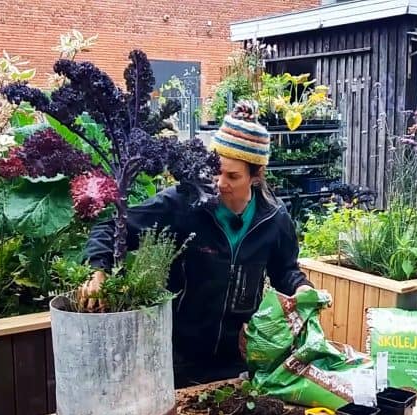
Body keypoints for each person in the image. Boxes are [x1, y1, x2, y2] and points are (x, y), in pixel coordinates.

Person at [80, 100, 314, 387]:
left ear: (255, 177)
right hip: (177, 359)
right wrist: (98, 271)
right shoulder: (184, 203)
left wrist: (302, 288)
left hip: (239, 359)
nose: (219, 182)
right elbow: (112, 227)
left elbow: (285, 271)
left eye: (232, 176)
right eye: (216, 170)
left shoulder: (274, 219)